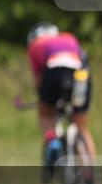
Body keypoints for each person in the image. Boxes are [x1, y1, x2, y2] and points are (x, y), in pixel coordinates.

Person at [26, 22, 96, 169]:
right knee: (81, 127)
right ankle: (91, 179)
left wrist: (44, 102)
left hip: (53, 71)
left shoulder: (35, 46)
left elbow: (38, 81)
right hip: (81, 74)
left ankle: (53, 143)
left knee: (45, 115)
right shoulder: (69, 37)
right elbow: (84, 61)